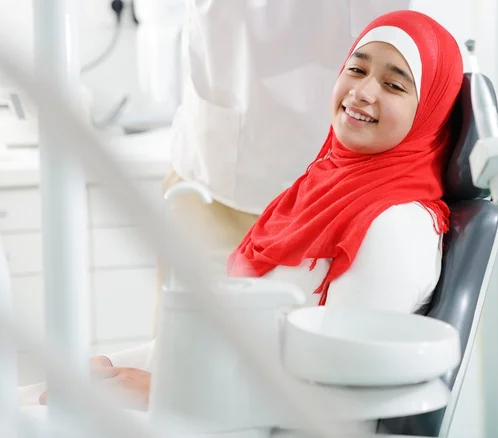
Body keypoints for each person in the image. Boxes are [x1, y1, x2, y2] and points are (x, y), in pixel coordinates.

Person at [24, 7, 464, 409]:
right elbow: (201, 342)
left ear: (429, 111)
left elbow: (337, 392)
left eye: (393, 83)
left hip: (234, 411)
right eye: (356, 68)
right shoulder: (314, 189)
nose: (364, 90)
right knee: (34, 398)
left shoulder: (394, 228)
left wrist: (161, 390)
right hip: (218, 164)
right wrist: (115, 369)